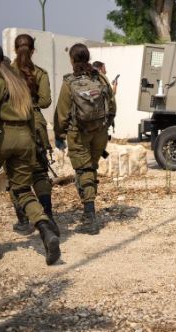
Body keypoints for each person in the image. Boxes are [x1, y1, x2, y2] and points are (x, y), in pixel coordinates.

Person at [0, 42, 60, 264]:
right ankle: (46, 230)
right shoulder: (17, 78)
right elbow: (31, 113)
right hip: (25, 138)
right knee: (23, 190)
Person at [55, 43, 116, 234]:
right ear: (88, 58)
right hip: (100, 132)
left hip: (79, 133)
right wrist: (105, 125)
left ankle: (90, 217)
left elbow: (62, 114)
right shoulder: (101, 78)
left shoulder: (70, 82)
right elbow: (112, 105)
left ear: (72, 59)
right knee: (91, 168)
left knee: (84, 171)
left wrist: (59, 134)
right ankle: (88, 211)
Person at [10, 34, 59, 236]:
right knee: (40, 172)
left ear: (15, 49)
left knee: (15, 175)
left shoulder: (5, 72)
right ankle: (47, 214)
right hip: (36, 124)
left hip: (11, 125)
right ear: (33, 50)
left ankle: (23, 220)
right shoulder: (40, 73)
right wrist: (33, 103)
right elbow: (46, 101)